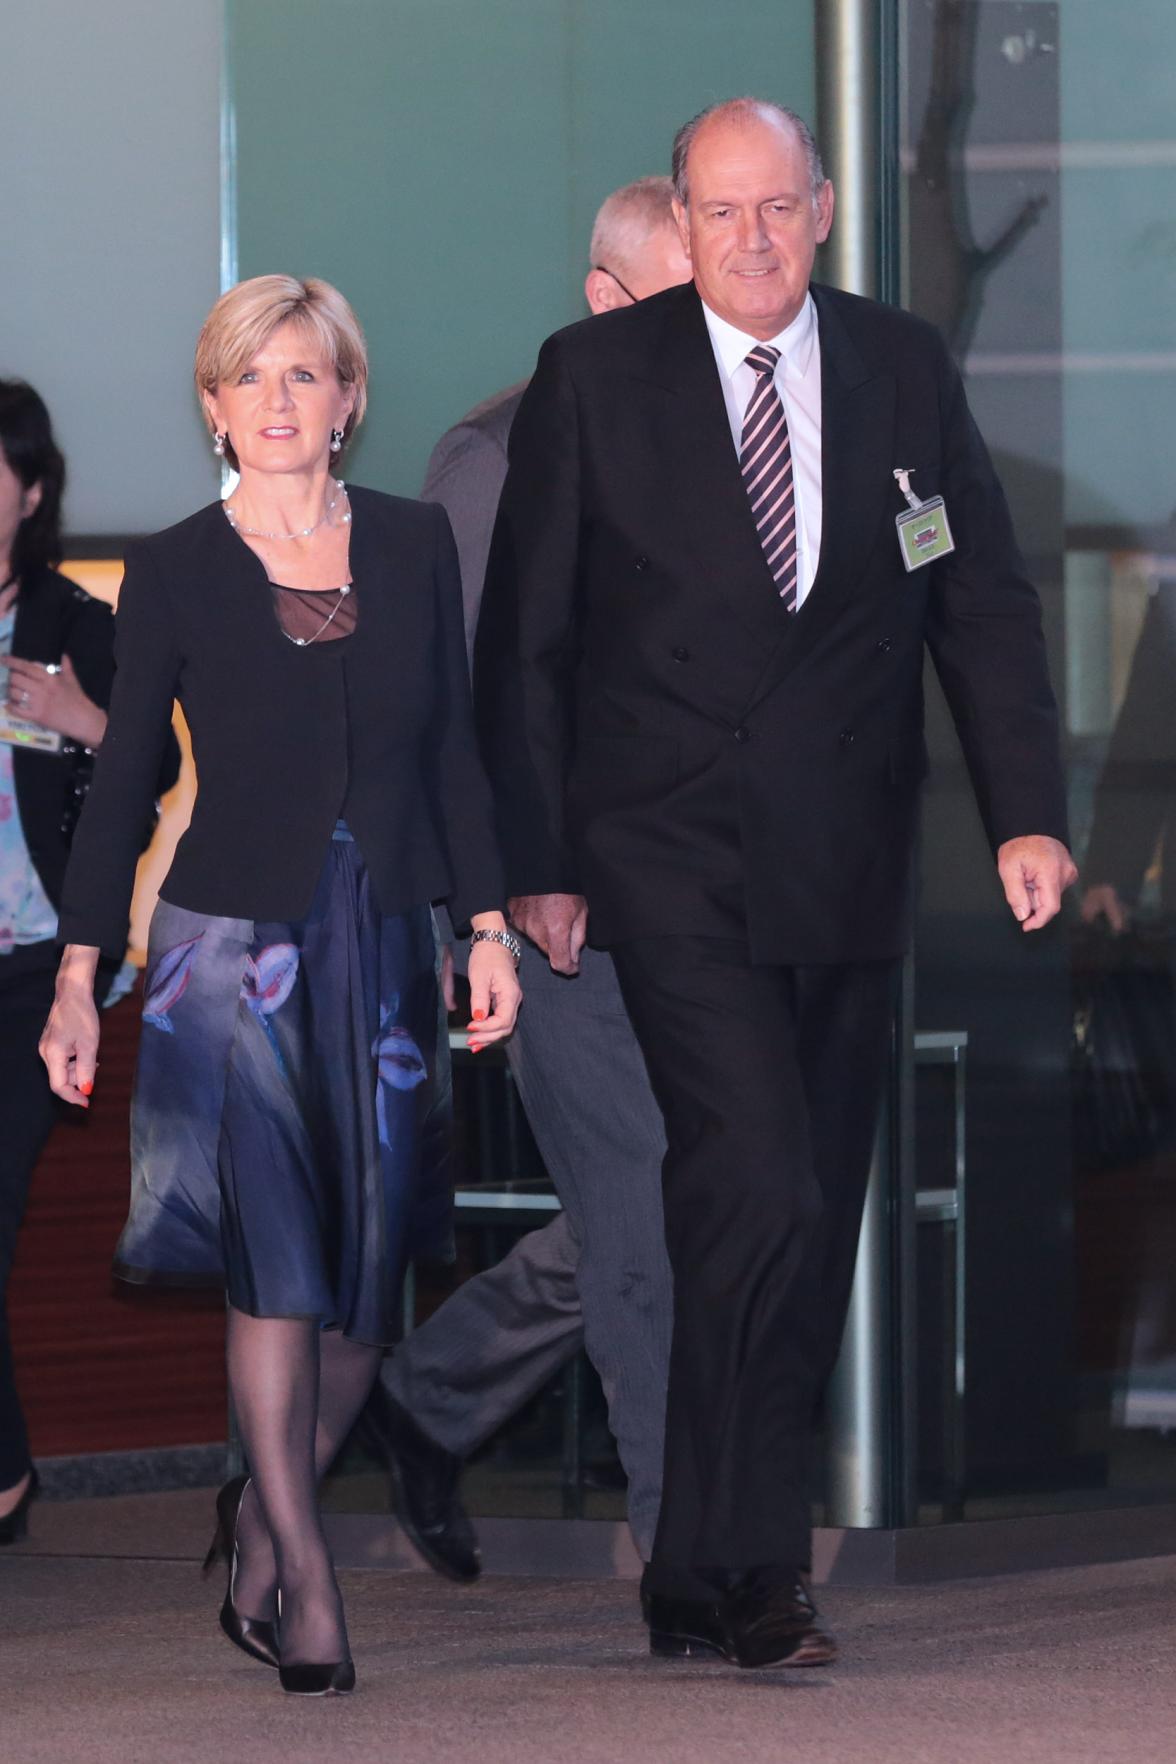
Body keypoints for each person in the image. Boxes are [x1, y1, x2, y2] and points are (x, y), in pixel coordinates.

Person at [474, 98, 1077, 1669]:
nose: (749, 240)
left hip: (843, 861)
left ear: (821, 212)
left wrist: (1025, 811)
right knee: (761, 1182)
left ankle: (687, 1559)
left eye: (776, 210)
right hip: (660, 859)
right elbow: (524, 642)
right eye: (718, 213)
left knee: (800, 1219)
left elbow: (982, 603)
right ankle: (758, 1572)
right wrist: (531, 863)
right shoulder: (595, 377)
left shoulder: (900, 369)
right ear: (681, 223)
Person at [39, 275, 520, 1696]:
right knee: (277, 1268)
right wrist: (83, 969)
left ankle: (260, 1507)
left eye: (304, 375)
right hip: (226, 953)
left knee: (367, 1300)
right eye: (250, 379)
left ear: (348, 399)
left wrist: (484, 923)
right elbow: (127, 773)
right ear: (214, 407)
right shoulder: (180, 564)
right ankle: (305, 1580)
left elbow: (459, 761)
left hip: (381, 946)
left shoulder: (420, 546)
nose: (279, 402)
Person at [369, 176, 690, 1580]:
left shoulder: (734, 450)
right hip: (554, 918)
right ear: (606, 298)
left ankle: (431, 1395)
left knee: (690, 1197)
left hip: (706, 905)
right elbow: (451, 702)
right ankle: (698, 1558)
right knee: (647, 1217)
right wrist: (482, 915)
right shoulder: (499, 455)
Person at [0, 381, 178, 1545]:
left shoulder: (77, 625)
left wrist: (82, 718)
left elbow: (153, 766)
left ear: (29, 493)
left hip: (35, 973)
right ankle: (7, 1467)